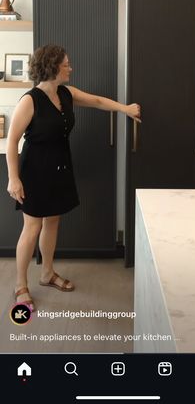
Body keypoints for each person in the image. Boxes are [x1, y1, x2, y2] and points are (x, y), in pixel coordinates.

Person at [6, 44, 141, 312]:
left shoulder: (65, 93)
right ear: (53, 67)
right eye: (66, 64)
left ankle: (46, 274)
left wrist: (125, 109)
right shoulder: (29, 101)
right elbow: (12, 141)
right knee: (32, 228)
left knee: (53, 222)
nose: (70, 67)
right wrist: (13, 179)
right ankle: (20, 284)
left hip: (60, 167)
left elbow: (98, 101)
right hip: (34, 171)